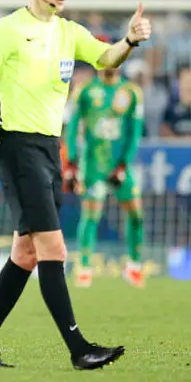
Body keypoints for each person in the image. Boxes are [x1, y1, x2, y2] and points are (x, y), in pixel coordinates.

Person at [0, 0, 151, 370]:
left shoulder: (69, 32)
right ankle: (79, 349)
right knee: (53, 247)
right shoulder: (6, 30)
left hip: (49, 149)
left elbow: (106, 58)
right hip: (18, 147)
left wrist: (131, 39)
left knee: (26, 254)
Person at [64, 65, 145, 288]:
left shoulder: (131, 92)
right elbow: (71, 127)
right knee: (91, 215)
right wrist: (71, 161)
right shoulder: (85, 90)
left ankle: (134, 266)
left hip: (121, 165)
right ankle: (85, 267)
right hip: (93, 165)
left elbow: (135, 132)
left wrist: (124, 164)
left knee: (136, 214)